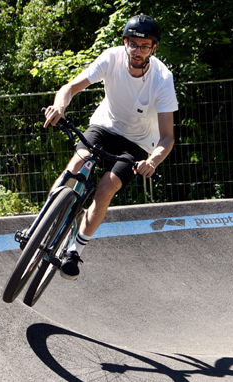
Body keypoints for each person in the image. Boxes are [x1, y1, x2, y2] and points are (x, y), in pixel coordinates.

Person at [43, 15, 178, 280]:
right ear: (125, 42)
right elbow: (70, 88)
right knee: (76, 164)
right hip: (105, 126)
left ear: (153, 48)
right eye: (133, 44)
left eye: (144, 46)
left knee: (106, 188)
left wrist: (153, 161)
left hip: (138, 143)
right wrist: (60, 106)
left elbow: (167, 137)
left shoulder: (162, 78)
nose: (137, 51)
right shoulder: (111, 57)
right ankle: (43, 223)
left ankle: (75, 249)